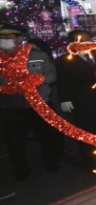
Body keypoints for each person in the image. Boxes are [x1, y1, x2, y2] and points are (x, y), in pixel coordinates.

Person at [0, 22, 62, 196]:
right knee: (14, 142)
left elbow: (51, 74)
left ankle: (52, 165)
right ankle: (20, 172)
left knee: (46, 136)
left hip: (39, 104)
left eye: (8, 37)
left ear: (19, 38)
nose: (4, 40)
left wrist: (36, 80)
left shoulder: (37, 54)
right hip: (10, 106)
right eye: (2, 37)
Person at [55, 30, 96, 169]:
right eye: (79, 40)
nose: (84, 42)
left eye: (87, 38)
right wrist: (65, 99)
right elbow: (63, 81)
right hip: (83, 101)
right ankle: (90, 160)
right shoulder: (65, 60)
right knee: (88, 129)